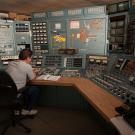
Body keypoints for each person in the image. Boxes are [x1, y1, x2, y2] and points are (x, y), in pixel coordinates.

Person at [6, 49, 39, 116]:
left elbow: (17, 73)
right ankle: (27, 110)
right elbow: (32, 79)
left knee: (26, 87)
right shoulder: (27, 66)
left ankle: (16, 109)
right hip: (17, 92)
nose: (31, 60)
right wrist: (35, 72)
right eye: (30, 58)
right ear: (27, 58)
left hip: (6, 92)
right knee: (34, 89)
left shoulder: (11, 63)